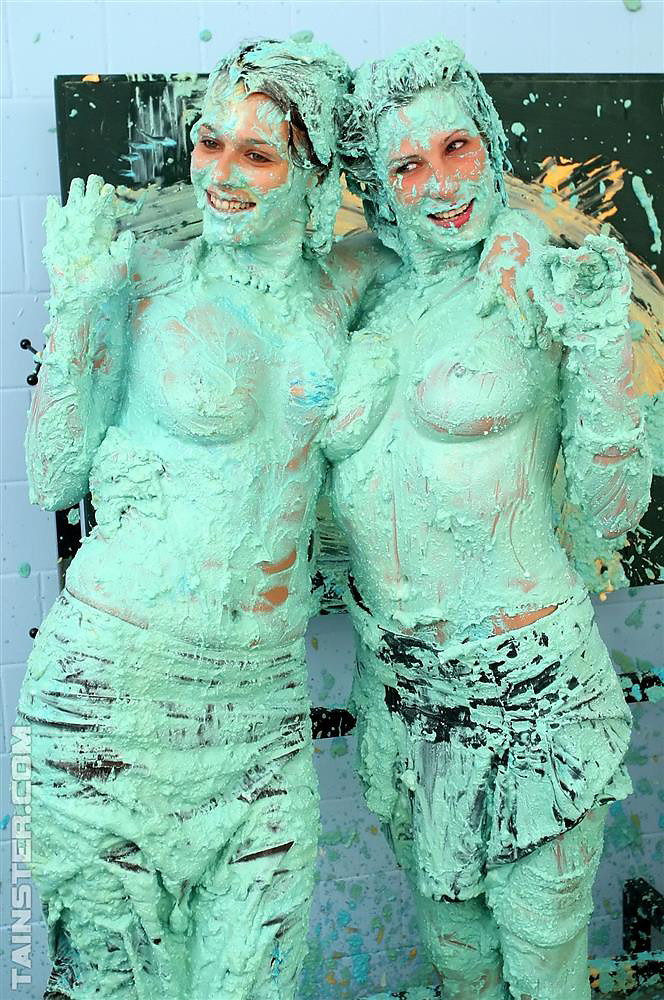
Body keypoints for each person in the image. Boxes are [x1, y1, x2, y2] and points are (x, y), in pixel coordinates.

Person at [16, 35, 395, 1000]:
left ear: (315, 179)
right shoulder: (141, 275)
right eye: (209, 142)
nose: (221, 173)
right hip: (114, 695)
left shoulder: (349, 285)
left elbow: (451, 231)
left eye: (257, 154)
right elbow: (53, 476)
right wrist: (77, 306)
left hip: (262, 709)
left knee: (255, 979)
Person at [323, 36, 652, 1000]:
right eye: (407, 165)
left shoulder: (538, 277)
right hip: (402, 692)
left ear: (491, 144)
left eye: (457, 147)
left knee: (542, 963)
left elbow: (612, 513)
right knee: (457, 960)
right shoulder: (362, 290)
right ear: (378, 187)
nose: (440, 185)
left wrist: (600, 343)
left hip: (530, 685)